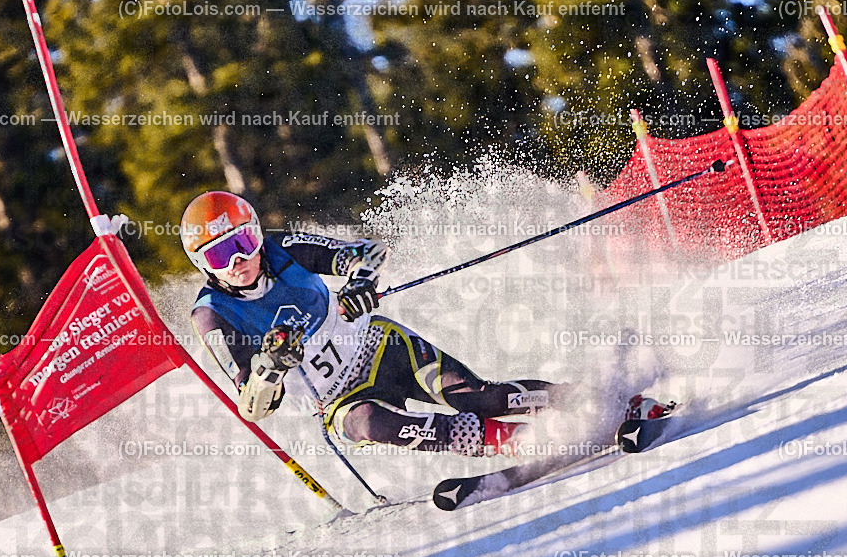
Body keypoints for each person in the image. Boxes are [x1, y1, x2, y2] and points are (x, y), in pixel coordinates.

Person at [182, 191, 570, 457]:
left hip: (380, 347)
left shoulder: (283, 249)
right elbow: (253, 408)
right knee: (372, 423)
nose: (238, 261)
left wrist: (361, 283)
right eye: (220, 255)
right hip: (338, 401)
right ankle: (515, 440)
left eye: (244, 242)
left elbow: (367, 253)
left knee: (476, 398)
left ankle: (581, 401)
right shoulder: (212, 314)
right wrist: (271, 366)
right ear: (202, 264)